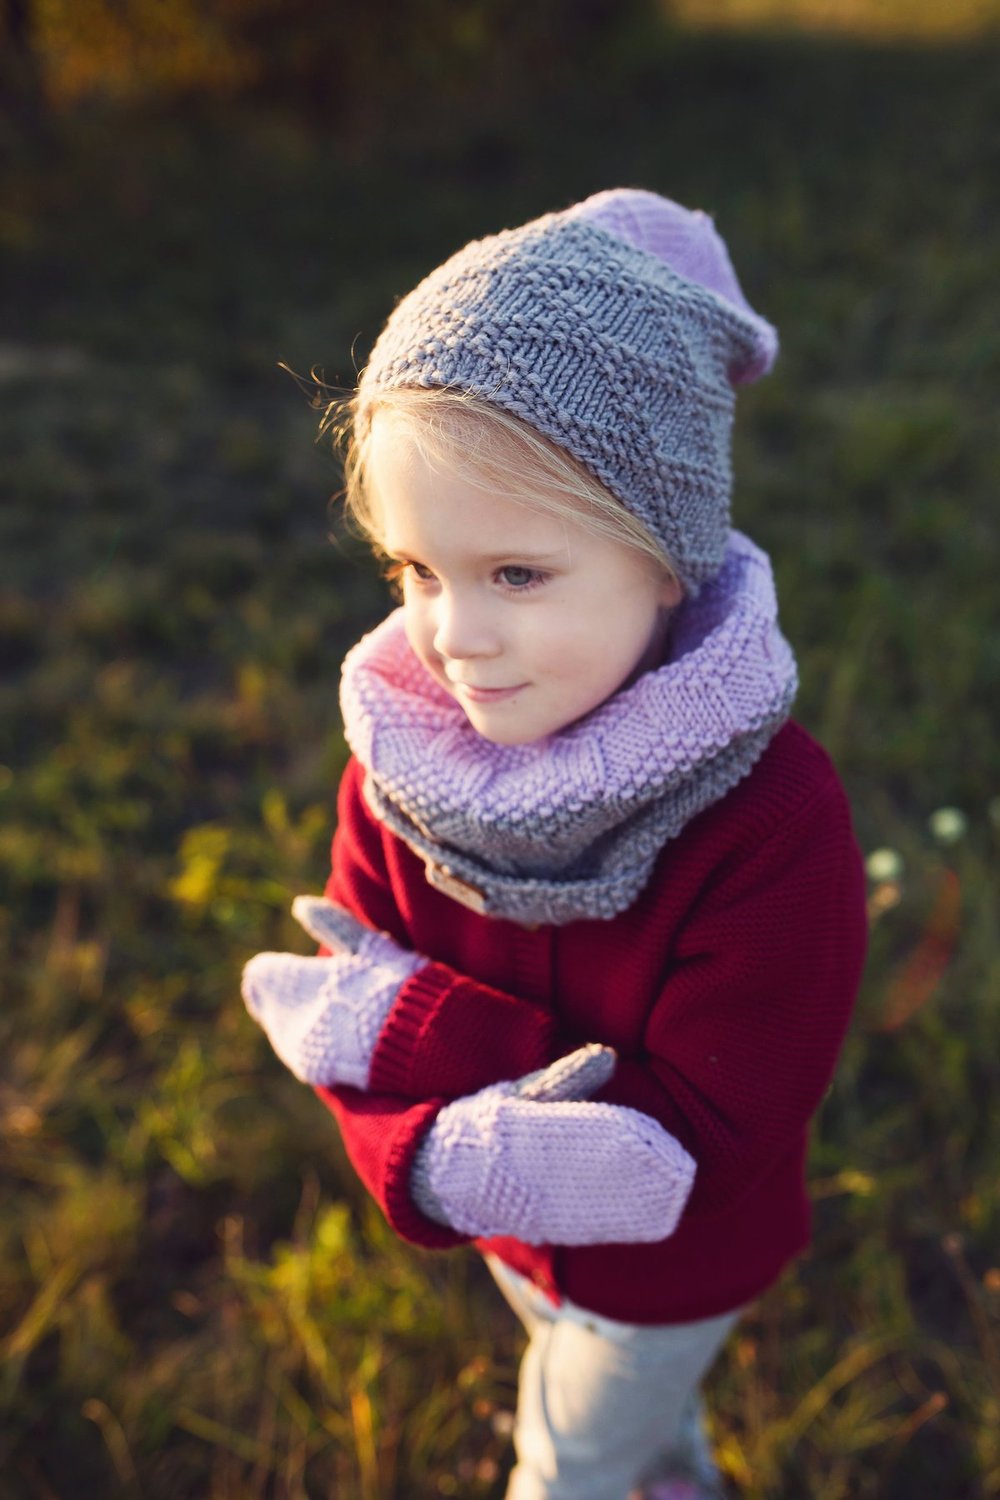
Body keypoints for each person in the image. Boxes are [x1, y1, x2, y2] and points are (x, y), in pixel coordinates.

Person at [241, 188, 869, 1500]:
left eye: (515, 574)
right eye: (415, 569)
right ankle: (675, 1479)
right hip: (509, 1237)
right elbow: (350, 1051)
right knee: (619, 1438)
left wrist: (420, 1036)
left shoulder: (770, 823)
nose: (453, 633)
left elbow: (695, 1139)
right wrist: (416, 1139)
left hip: (672, 1273)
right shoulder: (404, 772)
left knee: (564, 1462)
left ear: (664, 563)